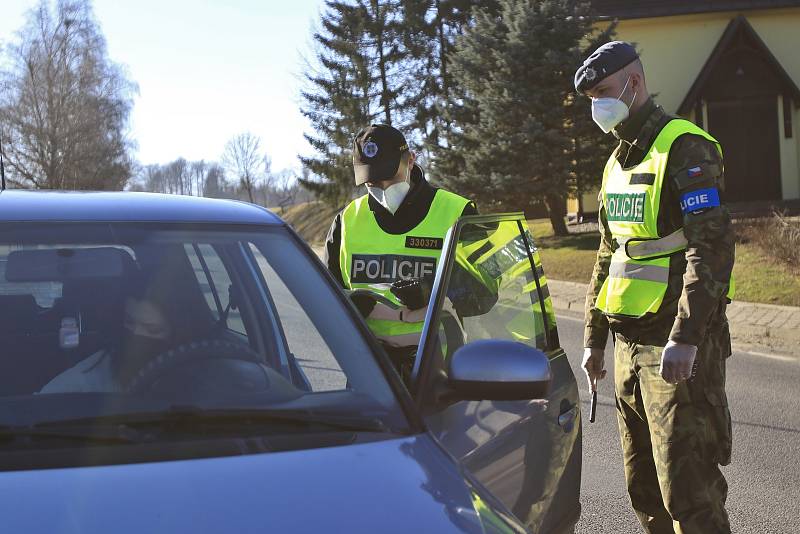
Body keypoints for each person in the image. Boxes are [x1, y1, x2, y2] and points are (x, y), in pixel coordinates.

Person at [574, 41, 735, 533]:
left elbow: (711, 248)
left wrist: (686, 337)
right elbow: (608, 254)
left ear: (634, 83)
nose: (597, 105)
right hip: (626, 347)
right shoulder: (616, 163)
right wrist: (593, 339)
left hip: (673, 344)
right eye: (590, 98)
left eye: (603, 91)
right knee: (643, 488)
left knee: (688, 493)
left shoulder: (685, 147)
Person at [324, 124, 478, 374]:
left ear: (411, 160)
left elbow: (486, 295)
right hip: (371, 368)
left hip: (441, 365)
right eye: (372, 181)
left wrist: (435, 289)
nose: (383, 189)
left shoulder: (457, 213)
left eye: (390, 177)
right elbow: (327, 297)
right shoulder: (347, 220)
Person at [40, 296, 174, 393]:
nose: (136, 334)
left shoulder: (190, 370)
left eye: (152, 330)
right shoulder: (81, 383)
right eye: (129, 322)